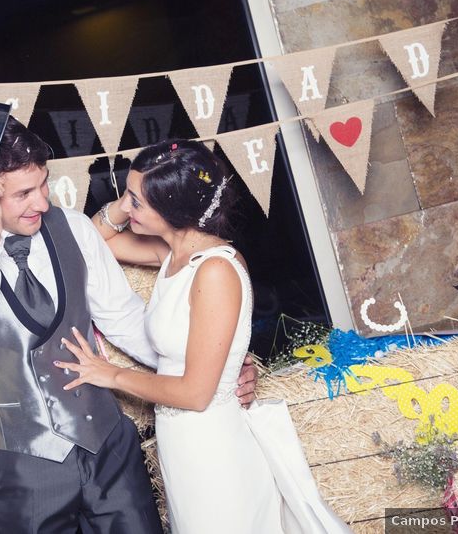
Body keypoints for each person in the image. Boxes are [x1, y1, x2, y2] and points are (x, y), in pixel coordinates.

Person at [0, 119, 258, 533]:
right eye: (24, 193)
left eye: (44, 185)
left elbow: (125, 319)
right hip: (26, 466)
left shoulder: (74, 227)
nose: (41, 203)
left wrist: (216, 364)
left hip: (110, 448)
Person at [56, 139, 348, 533]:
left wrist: (109, 375)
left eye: (138, 202)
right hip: (183, 446)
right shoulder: (172, 254)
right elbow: (89, 242)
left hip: (214, 447)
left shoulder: (215, 270)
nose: (129, 208)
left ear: (173, 211)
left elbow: (196, 393)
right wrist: (127, 201)